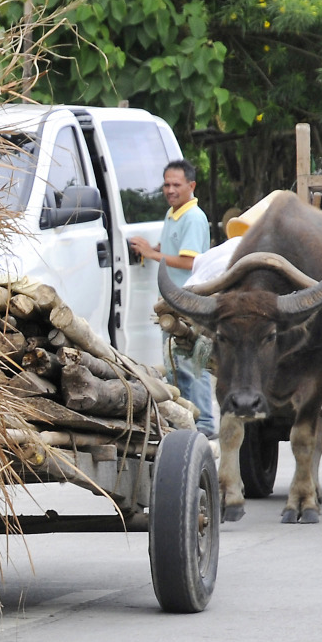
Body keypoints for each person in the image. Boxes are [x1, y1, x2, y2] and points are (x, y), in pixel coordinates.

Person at [130, 159, 215, 435]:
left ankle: (203, 424)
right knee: (175, 364)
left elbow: (189, 260)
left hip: (189, 301)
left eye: (176, 185)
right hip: (173, 302)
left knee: (191, 363)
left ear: (191, 186)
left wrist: (152, 254)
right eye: (166, 184)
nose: (170, 189)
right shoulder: (174, 213)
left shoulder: (192, 216)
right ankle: (188, 421)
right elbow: (175, 248)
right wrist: (154, 247)